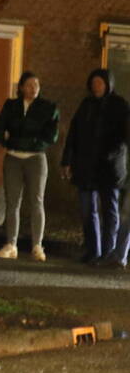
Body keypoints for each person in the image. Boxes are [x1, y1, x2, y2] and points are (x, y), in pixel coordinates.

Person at [61, 69, 130, 264]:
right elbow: (73, 135)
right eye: (94, 82)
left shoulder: (119, 105)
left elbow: (124, 136)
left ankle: (108, 252)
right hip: (86, 166)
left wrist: (112, 154)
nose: (96, 86)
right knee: (87, 209)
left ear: (108, 84)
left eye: (100, 82)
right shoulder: (86, 105)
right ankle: (93, 250)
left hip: (109, 167)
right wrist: (67, 160)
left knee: (110, 211)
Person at [0, 72, 59, 261]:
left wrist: (25, 141)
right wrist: (4, 140)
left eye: (36, 84)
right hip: (13, 157)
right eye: (29, 84)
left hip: (36, 157)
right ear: (21, 87)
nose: (33, 88)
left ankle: (37, 245)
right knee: (12, 201)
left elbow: (51, 135)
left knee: (37, 200)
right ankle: (11, 244)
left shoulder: (47, 108)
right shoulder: (11, 106)